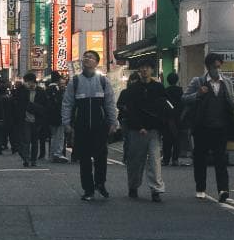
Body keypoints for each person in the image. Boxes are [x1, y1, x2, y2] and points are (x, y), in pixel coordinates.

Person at [182, 52, 234, 202]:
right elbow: (184, 98)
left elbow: (230, 101)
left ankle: (223, 190)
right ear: (208, 67)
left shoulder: (226, 82)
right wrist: (198, 94)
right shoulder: (199, 81)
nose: (218, 70)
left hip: (220, 127)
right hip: (202, 127)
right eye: (215, 67)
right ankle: (200, 188)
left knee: (220, 159)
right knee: (200, 159)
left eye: (219, 67)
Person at [62, 50, 118, 200]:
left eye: (90, 57)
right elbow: (67, 104)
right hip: (81, 126)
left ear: (96, 62)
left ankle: (100, 183)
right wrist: (66, 123)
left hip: (100, 126)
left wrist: (113, 122)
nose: (86, 59)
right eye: (85, 56)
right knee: (84, 159)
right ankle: (88, 190)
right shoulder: (75, 81)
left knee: (101, 157)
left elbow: (110, 104)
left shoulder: (103, 81)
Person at [122, 58, 170, 202]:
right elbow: (129, 110)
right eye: (142, 68)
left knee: (155, 160)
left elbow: (164, 107)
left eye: (147, 67)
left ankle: (156, 190)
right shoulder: (132, 89)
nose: (144, 70)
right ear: (138, 70)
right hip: (136, 130)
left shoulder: (159, 88)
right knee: (135, 161)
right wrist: (138, 126)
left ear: (151, 70)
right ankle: (133, 185)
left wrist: (162, 125)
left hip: (154, 130)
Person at [13, 72, 48, 167]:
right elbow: (18, 105)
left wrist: (34, 107)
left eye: (29, 82)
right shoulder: (22, 91)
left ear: (33, 82)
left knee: (35, 141)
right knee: (26, 140)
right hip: (25, 120)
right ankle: (26, 159)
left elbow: (45, 107)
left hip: (37, 120)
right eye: (26, 82)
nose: (28, 84)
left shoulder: (41, 92)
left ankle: (33, 160)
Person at [162, 71, 184, 166]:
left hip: (167, 119)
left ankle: (166, 159)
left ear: (168, 80)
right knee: (176, 139)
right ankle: (175, 159)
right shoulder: (181, 91)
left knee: (167, 140)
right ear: (177, 80)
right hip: (178, 118)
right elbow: (183, 103)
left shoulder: (165, 91)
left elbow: (163, 105)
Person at [46, 71, 68, 162]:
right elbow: (59, 103)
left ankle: (53, 154)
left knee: (54, 136)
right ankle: (57, 153)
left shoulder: (47, 89)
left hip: (50, 116)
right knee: (59, 136)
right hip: (58, 116)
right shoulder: (56, 89)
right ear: (58, 79)